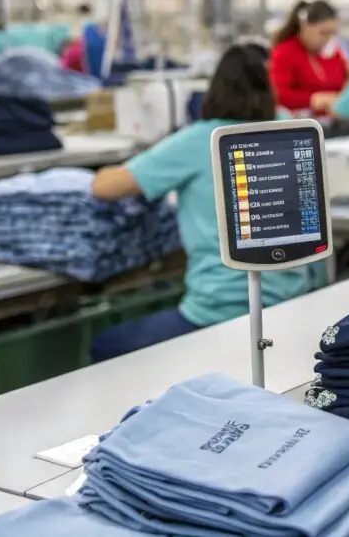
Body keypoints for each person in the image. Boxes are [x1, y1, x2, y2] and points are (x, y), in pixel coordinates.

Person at [88, 44, 318, 362]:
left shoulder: (202, 138)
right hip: (290, 301)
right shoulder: (287, 127)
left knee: (105, 346)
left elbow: (105, 187)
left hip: (220, 310)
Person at [269, 0, 349, 114]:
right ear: (305, 26)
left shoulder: (334, 53)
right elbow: (279, 94)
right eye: (323, 33)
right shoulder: (285, 52)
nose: (328, 39)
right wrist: (314, 99)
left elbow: (347, 80)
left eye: (332, 33)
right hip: (301, 121)